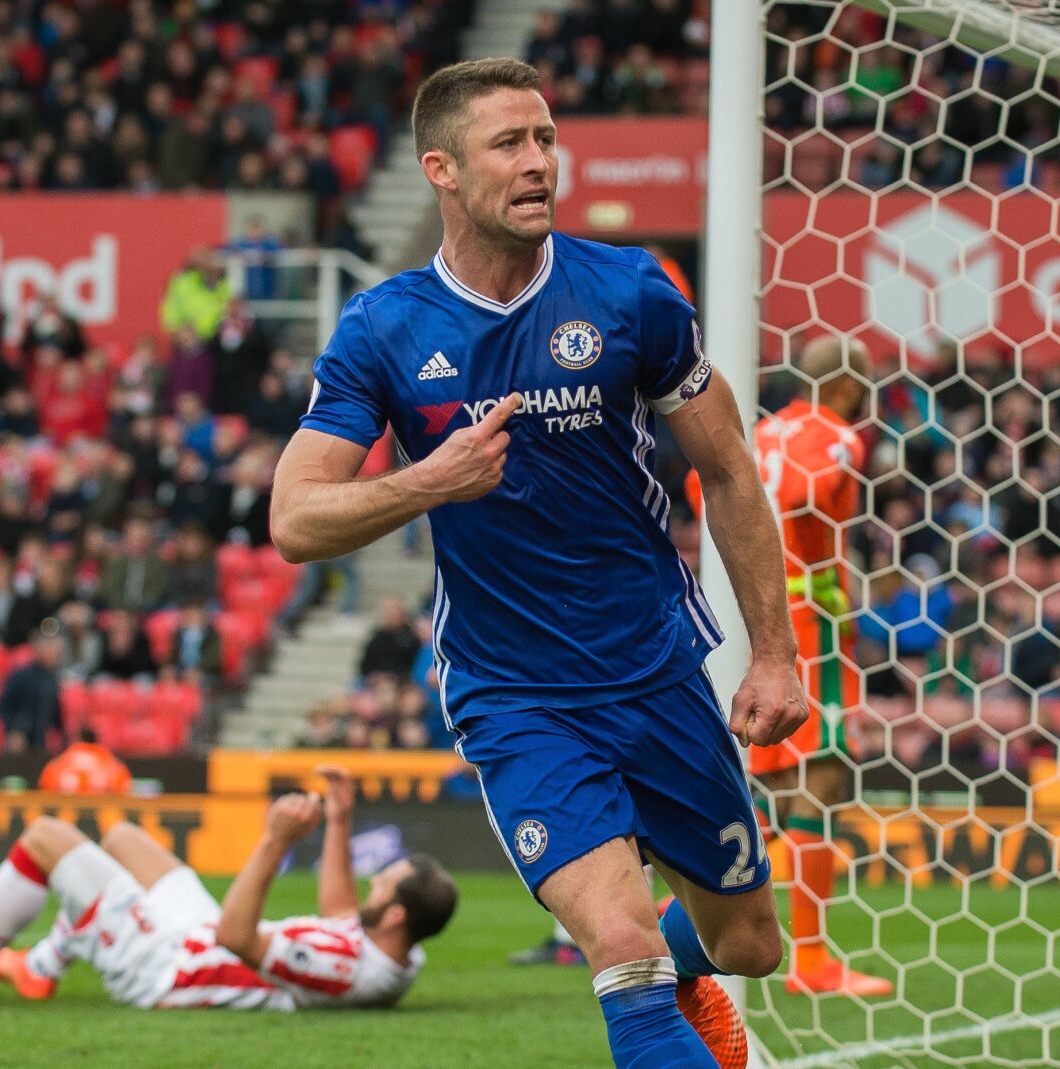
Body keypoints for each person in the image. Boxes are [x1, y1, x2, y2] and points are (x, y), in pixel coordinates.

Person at [269, 58, 809, 1069]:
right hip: (517, 694)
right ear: (440, 168)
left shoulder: (630, 291)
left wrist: (773, 655)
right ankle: (654, 992)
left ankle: (688, 977)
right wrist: (429, 481)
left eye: (546, 139)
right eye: (508, 144)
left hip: (655, 668)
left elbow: (730, 470)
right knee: (623, 946)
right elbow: (294, 518)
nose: (538, 163)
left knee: (748, 944)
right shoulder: (384, 327)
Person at [0, 766, 455, 1011]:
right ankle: (41, 965)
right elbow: (342, 912)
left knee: (47, 837)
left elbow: (236, 936)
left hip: (170, 969)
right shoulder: (397, 952)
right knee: (122, 839)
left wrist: (274, 842)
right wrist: (339, 817)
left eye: (382, 885)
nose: (371, 884)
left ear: (396, 916)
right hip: (195, 942)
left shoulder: (343, 968)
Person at [685, 337, 892, 997]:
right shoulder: (837, 437)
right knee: (823, 777)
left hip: (745, 613)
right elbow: (806, 489)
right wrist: (807, 559)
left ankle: (706, 922)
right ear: (852, 387)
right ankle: (812, 959)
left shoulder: (767, 431)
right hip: (806, 626)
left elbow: (700, 482)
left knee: (774, 791)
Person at [37, 729, 132, 794]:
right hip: (102, 815)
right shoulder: (114, 765)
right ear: (96, 741)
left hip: (66, 814)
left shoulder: (58, 762)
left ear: (78, 739)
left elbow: (44, 788)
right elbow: (125, 790)